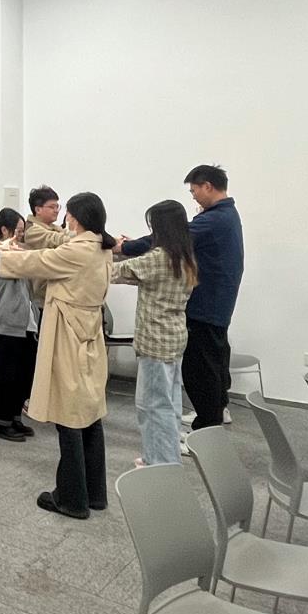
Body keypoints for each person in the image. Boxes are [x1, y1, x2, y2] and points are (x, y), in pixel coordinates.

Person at [0, 192, 114, 520]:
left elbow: (40, 262)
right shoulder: (101, 247)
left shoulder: (78, 248)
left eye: (67, 212)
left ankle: (72, 498)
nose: (64, 216)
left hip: (68, 334)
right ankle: (95, 493)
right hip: (89, 332)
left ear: (78, 217)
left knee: (68, 414)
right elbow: (45, 252)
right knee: (89, 413)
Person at [118, 165, 244, 432]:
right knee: (215, 361)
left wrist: (124, 247)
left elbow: (174, 238)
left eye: (194, 190)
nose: (194, 196)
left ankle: (207, 427)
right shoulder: (226, 215)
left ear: (208, 186)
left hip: (206, 306)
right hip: (217, 303)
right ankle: (216, 411)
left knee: (201, 369)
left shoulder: (214, 219)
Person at [112, 200, 197, 467]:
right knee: (169, 403)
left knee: (151, 406)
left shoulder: (159, 258)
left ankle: (159, 464)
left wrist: (98, 252)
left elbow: (115, 272)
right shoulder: (185, 256)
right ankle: (162, 458)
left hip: (155, 342)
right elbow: (136, 269)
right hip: (174, 338)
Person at [0, 208, 39, 443]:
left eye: (22, 231)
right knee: (6, 375)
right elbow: (15, 268)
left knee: (24, 374)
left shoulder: (17, 252)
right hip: (8, 322)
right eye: (18, 231)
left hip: (26, 323)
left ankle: (15, 417)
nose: (21, 236)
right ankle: (0, 422)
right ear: (4, 230)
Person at [21, 185, 70, 326]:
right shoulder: (32, 230)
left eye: (57, 206)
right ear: (38, 209)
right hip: (42, 299)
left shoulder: (54, 227)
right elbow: (58, 240)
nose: (56, 210)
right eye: (52, 207)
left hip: (57, 296)